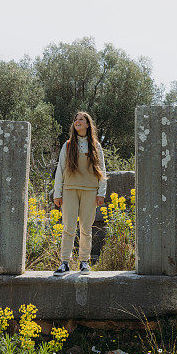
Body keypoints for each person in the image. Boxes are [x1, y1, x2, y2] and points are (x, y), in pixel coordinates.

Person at [52, 111, 107, 275]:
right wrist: (57, 193)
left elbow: (102, 170)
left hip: (90, 191)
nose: (77, 121)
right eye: (75, 119)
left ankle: (84, 262)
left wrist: (101, 193)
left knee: (85, 228)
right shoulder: (67, 145)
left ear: (88, 124)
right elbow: (60, 170)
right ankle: (65, 263)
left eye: (81, 119)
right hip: (69, 190)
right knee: (68, 227)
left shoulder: (96, 146)